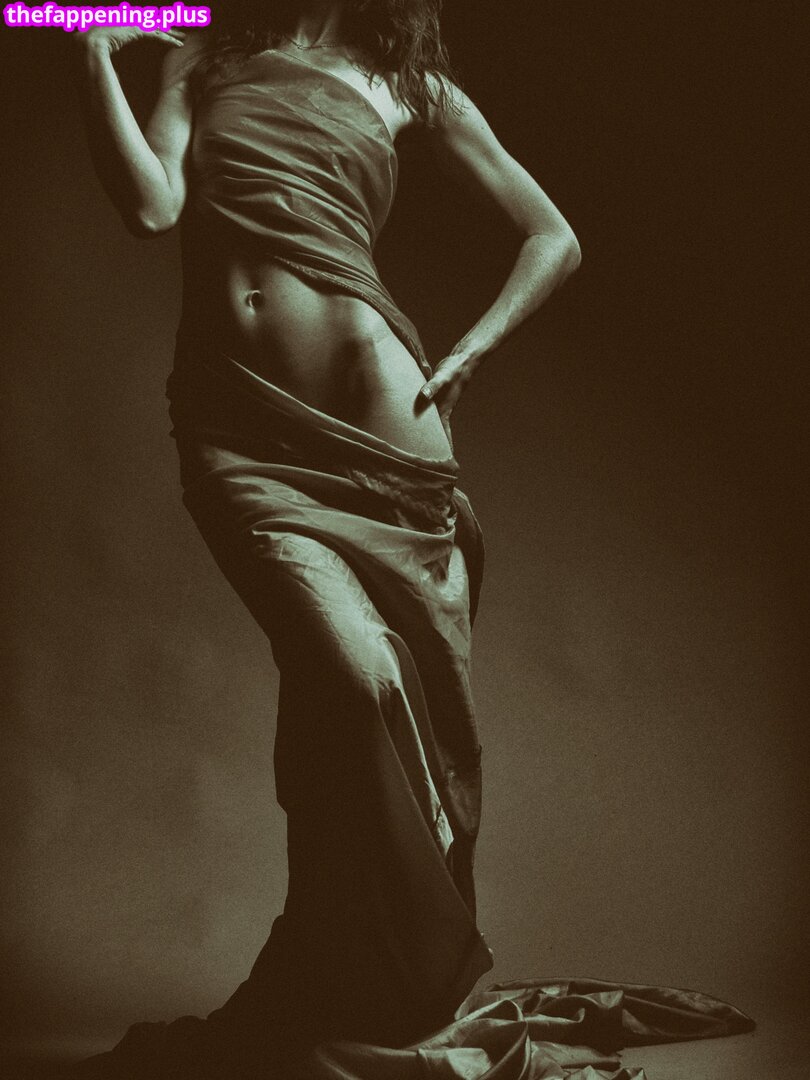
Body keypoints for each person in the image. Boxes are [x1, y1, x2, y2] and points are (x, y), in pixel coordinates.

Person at [65, 3, 752, 1078]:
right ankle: (361, 973)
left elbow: (554, 236)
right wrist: (94, 53)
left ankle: (376, 990)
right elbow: (152, 206)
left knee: (404, 717)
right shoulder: (203, 51)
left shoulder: (414, 89)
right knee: (357, 677)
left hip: (390, 444)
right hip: (243, 434)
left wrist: (475, 345)